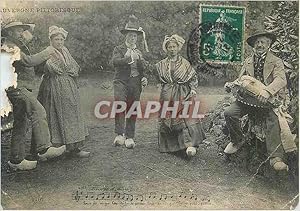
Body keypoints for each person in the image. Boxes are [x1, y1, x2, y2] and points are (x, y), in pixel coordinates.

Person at [223, 30, 297, 171]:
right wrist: (231, 84)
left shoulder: (276, 61)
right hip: (248, 100)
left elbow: (281, 80)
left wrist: (267, 91)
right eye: (257, 42)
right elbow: (241, 79)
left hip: (268, 100)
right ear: (253, 45)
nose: (260, 45)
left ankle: (275, 158)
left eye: (263, 42)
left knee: (273, 119)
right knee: (229, 112)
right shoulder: (248, 61)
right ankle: (237, 140)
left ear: (269, 45)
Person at [1, 21, 66, 171]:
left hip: (18, 87)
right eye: (18, 30)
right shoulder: (9, 47)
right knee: (38, 111)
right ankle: (44, 148)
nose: (22, 33)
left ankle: (16, 160)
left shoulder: (15, 45)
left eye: (23, 30)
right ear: (9, 32)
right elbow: (30, 62)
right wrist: (48, 51)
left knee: (21, 123)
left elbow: (27, 45)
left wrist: (26, 38)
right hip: (17, 88)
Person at [37, 26, 90, 158]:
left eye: (61, 39)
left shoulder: (65, 51)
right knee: (55, 114)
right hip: (54, 86)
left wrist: (71, 71)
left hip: (69, 86)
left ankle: (74, 148)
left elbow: (74, 66)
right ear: (51, 40)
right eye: (56, 39)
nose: (59, 42)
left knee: (72, 114)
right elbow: (51, 68)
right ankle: (55, 148)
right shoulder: (48, 52)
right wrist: (62, 70)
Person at [155, 34, 205, 157]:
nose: (172, 49)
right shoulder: (161, 64)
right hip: (167, 93)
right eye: (169, 47)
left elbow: (193, 77)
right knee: (168, 118)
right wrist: (161, 88)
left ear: (178, 48)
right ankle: (172, 147)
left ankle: (190, 145)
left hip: (183, 93)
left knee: (186, 118)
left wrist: (193, 89)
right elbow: (159, 79)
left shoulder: (185, 63)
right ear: (166, 49)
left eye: (174, 47)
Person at [111, 15, 148, 149]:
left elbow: (143, 68)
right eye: (130, 35)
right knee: (120, 104)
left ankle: (130, 136)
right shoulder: (119, 49)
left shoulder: (138, 51)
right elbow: (114, 63)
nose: (132, 38)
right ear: (125, 36)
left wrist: (143, 76)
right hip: (121, 81)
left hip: (135, 82)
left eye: (134, 36)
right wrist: (126, 58)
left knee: (133, 108)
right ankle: (119, 134)